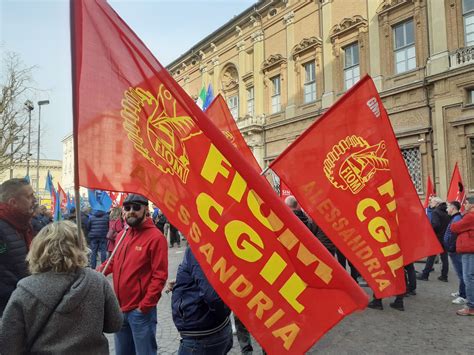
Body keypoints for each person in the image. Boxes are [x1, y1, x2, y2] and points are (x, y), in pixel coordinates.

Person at [0, 220, 123, 353]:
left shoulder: (25, 290)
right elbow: (114, 324)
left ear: (38, 248)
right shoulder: (97, 280)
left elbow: (9, 343)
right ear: (79, 247)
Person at [100, 194, 168, 355]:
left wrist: (144, 306)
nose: (131, 211)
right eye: (127, 208)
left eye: (136, 207)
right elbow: (113, 261)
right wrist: (93, 273)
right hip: (119, 309)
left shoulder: (156, 238)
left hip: (140, 312)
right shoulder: (123, 234)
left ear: (146, 209)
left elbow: (160, 276)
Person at [171, 246, 233, 355]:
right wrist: (183, 282)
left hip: (202, 337)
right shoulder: (216, 243)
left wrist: (223, 314)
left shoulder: (198, 247)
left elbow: (213, 297)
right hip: (214, 331)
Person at [0, 178, 36, 316]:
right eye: (29, 196)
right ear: (13, 202)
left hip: (22, 301)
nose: (34, 200)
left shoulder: (25, 225)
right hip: (7, 307)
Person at [417, 197, 451, 281]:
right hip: (444, 237)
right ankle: (444, 276)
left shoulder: (436, 212)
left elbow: (435, 225)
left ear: (436, 203)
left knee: (431, 257)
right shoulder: (446, 211)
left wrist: (430, 231)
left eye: (431, 202)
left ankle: (425, 275)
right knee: (444, 257)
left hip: (437, 237)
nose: (430, 204)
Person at [451, 196, 474, 316]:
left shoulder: (470, 216)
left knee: (468, 278)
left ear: (472, 205)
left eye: (466, 203)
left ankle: (471, 306)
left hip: (469, 250)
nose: (464, 205)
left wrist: (461, 228)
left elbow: (455, 227)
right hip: (469, 250)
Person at [443, 201, 465, 305]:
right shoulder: (455, 218)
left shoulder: (456, 219)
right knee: (460, 273)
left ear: (453, 208)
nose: (447, 209)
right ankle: (461, 291)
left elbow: (454, 235)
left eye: (448, 207)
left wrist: (451, 247)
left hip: (455, 250)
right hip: (453, 250)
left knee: (462, 273)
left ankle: (463, 296)